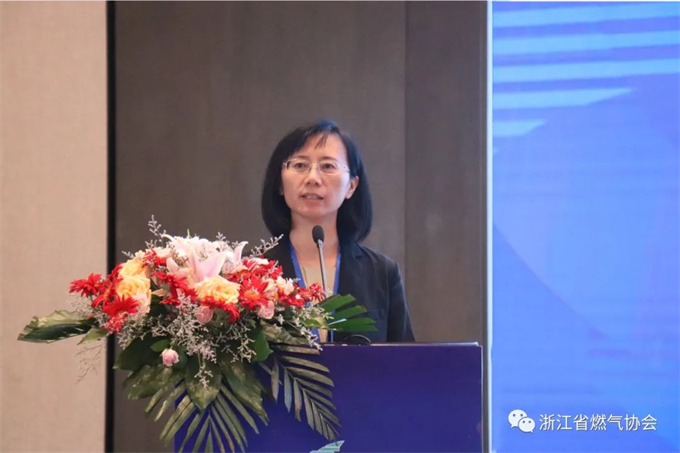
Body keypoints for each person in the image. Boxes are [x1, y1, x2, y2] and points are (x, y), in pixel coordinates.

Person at [261, 120, 415, 343]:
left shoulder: (381, 273)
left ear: (351, 186)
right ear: (280, 184)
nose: (312, 178)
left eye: (327, 166)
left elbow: (406, 358)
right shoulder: (249, 273)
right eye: (300, 165)